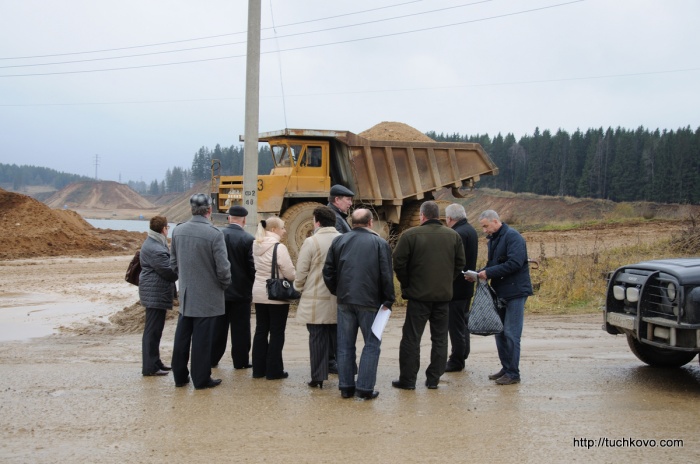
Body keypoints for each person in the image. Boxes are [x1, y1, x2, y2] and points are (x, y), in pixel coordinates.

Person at [392, 201, 465, 390]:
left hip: (418, 297)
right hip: (442, 296)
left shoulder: (410, 235)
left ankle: (408, 380)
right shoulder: (454, 236)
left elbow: (399, 263)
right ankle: (433, 379)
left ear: (422, 216)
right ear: (439, 216)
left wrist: (407, 284)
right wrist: (447, 281)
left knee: (411, 338)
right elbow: (459, 264)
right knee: (440, 338)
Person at [323, 208, 395, 400]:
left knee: (345, 345)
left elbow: (328, 271)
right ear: (370, 222)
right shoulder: (379, 243)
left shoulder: (339, 241)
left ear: (352, 222)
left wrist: (337, 291)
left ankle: (346, 387)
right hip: (370, 301)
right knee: (371, 344)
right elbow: (386, 274)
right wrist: (388, 299)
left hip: (345, 299)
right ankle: (364, 388)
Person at [170, 193, 231, 390]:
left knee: (182, 338)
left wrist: (187, 279)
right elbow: (223, 269)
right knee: (202, 341)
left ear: (191, 209)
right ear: (209, 210)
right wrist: (223, 285)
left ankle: (180, 376)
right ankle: (201, 378)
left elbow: (173, 263)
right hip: (208, 295)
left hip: (187, 294)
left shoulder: (178, 231)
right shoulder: (214, 234)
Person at [474, 209, 533, 385]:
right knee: (499, 332)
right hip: (500, 291)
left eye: (485, 226)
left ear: (495, 221)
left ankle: (513, 373)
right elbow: (493, 264)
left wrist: (488, 272)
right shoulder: (494, 239)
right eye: (482, 227)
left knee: (511, 333)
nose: (484, 230)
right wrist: (477, 274)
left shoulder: (513, 237)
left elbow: (514, 263)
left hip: (515, 292)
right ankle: (506, 368)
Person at [293, 206, 341, 389]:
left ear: (317, 222)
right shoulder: (343, 239)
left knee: (317, 338)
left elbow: (302, 270)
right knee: (339, 339)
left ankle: (318, 377)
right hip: (338, 297)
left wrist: (297, 288)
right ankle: (345, 373)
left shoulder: (311, 242)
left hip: (315, 298)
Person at [211, 205, 256, 370]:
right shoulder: (248, 239)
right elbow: (252, 268)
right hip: (241, 292)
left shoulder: (217, 235)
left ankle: (212, 358)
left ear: (229, 218)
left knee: (218, 327)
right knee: (241, 329)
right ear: (244, 220)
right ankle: (241, 361)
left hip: (219, 291)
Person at [251, 216, 296, 380]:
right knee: (277, 332)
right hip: (276, 293)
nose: (284, 231)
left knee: (261, 330)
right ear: (273, 230)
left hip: (259, 291)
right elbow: (290, 273)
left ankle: (258, 369)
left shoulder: (256, 244)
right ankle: (273, 370)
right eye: (283, 228)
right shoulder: (279, 248)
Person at [139, 216, 178, 377]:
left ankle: (155, 362)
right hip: (155, 293)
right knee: (152, 331)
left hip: (155, 292)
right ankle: (150, 367)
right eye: (167, 228)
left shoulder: (154, 243)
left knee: (155, 330)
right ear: (163, 229)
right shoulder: (155, 248)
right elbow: (169, 272)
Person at [444, 203, 478, 372]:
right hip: (467, 285)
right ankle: (463, 353)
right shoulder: (470, 230)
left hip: (456, 288)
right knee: (463, 322)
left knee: (455, 325)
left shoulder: (457, 233)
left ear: (449, 218)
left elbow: (455, 262)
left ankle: (457, 359)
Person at [325, 184, 355, 373]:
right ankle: (331, 360)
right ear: (337, 200)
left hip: (336, 281)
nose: (350, 203)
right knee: (331, 322)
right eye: (348, 199)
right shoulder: (335, 219)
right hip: (336, 282)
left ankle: (332, 358)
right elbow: (337, 254)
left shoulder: (338, 217)